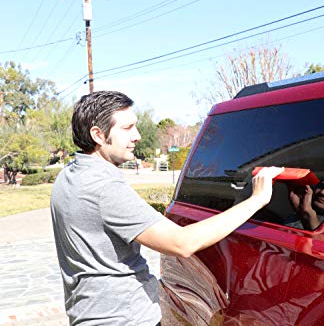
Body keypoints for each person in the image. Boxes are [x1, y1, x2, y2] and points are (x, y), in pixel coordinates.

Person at [50, 90, 283, 326]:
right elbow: (182, 243)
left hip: (87, 314)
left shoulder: (69, 175)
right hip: (124, 319)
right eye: (127, 128)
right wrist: (257, 199)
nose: (138, 135)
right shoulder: (104, 187)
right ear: (98, 135)